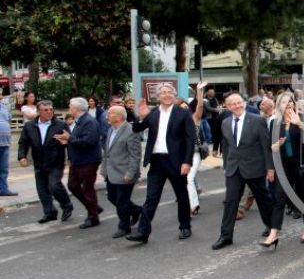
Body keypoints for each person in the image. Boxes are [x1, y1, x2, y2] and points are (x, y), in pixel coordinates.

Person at [126, 84, 196, 244]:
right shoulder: (153, 113)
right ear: (158, 97)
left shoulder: (183, 113)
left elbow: (190, 139)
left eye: (169, 92)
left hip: (176, 161)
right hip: (157, 161)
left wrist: (187, 161)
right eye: (163, 93)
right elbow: (136, 129)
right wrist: (142, 116)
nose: (166, 95)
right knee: (151, 197)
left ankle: (185, 226)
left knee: (181, 195)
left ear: (174, 95)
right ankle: (143, 232)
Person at [211, 92, 275, 251]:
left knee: (263, 198)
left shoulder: (257, 120)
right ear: (227, 106)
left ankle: (272, 227)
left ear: (244, 103)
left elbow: (266, 146)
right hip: (234, 168)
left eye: (239, 102)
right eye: (233, 103)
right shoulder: (225, 123)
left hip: (254, 167)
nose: (237, 106)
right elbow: (226, 147)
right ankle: (225, 235)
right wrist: (226, 165)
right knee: (231, 201)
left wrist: (270, 168)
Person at [270, 92, 304, 245]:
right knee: (279, 196)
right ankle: (274, 233)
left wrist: (299, 123)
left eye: (290, 101)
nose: (288, 104)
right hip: (283, 164)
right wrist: (278, 145)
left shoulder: (302, 117)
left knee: (303, 195)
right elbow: (272, 147)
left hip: (300, 163)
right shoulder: (275, 123)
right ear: (278, 106)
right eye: (284, 102)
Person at [53, 97, 103, 229]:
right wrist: (68, 142)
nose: (69, 108)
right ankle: (94, 207)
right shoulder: (80, 121)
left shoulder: (88, 122)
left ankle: (93, 217)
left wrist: (70, 138)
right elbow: (77, 140)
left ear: (75, 108)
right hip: (78, 160)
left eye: (70, 106)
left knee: (87, 188)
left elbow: (88, 141)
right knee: (73, 185)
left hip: (88, 160)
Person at [100, 106, 142, 238]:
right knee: (112, 197)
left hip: (125, 172)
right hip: (111, 172)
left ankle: (124, 226)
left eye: (110, 114)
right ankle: (136, 210)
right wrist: (104, 169)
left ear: (118, 117)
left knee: (122, 201)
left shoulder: (131, 131)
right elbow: (108, 153)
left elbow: (135, 155)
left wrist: (130, 173)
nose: (107, 116)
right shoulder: (111, 130)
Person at [178, 82, 208, 218]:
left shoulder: (194, 118)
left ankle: (192, 206)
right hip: (180, 155)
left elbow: (200, 105)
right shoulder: (174, 122)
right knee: (184, 180)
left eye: (186, 107)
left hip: (194, 154)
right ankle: (191, 204)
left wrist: (199, 91)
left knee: (189, 178)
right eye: (181, 107)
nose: (184, 109)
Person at [0, 95, 17, 197]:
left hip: (5, 142)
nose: (1, 96)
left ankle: (3, 189)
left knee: (4, 168)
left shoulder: (4, 107)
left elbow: (9, 120)